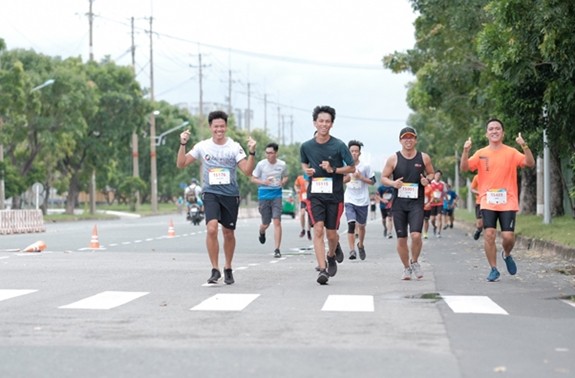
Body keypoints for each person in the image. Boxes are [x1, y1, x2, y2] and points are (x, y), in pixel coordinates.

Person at [177, 110, 257, 285]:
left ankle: (228, 267)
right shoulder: (203, 146)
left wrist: (252, 153)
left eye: (222, 126)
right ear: (210, 127)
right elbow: (181, 164)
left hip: (230, 194)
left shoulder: (234, 147)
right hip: (210, 193)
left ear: (226, 127)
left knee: (228, 233)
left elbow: (247, 171)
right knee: (212, 229)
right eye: (216, 126)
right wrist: (182, 144)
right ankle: (215, 269)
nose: (219, 129)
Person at [460, 118, 534, 281]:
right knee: (489, 234)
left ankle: (506, 254)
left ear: (503, 132)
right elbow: (464, 168)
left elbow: (530, 162)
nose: (494, 131)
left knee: (508, 237)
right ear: (487, 133)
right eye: (491, 129)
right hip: (487, 200)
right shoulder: (480, 153)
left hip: (508, 200)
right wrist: (465, 151)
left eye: (498, 128)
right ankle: (493, 269)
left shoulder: (511, 152)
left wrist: (524, 145)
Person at [300, 105, 355, 285]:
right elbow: (304, 164)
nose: (324, 124)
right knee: (318, 228)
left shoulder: (339, 145)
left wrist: (334, 169)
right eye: (321, 121)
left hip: (335, 196)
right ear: (315, 123)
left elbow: (352, 167)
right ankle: (322, 269)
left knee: (332, 234)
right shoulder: (306, 146)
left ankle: (331, 255)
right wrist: (307, 171)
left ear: (332, 124)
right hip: (315, 195)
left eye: (327, 122)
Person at [381, 126, 435, 280]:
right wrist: (393, 184)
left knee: (416, 235)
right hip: (399, 205)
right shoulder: (393, 158)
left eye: (411, 137)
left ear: (416, 140)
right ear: (400, 141)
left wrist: (427, 180)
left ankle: (415, 261)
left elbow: (431, 173)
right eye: (405, 138)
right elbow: (384, 177)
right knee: (402, 238)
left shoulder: (424, 158)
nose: (408, 140)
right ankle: (406, 267)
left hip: (416, 203)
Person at [251, 142, 288, 258]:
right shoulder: (261, 165)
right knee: (266, 223)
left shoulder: (282, 164)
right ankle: (262, 231)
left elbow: (285, 175)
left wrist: (282, 182)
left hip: (277, 195)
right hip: (264, 195)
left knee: (277, 221)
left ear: (276, 153)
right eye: (267, 153)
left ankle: (277, 249)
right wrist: (264, 182)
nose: (269, 155)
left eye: (271, 153)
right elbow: (253, 179)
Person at [343, 140, 376, 260]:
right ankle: (352, 251)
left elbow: (372, 181)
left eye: (356, 151)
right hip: (349, 198)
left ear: (359, 153)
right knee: (351, 224)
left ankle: (360, 245)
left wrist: (361, 177)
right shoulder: (345, 166)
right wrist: (347, 178)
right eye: (352, 151)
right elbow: (340, 180)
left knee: (361, 226)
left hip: (362, 200)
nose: (354, 153)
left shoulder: (365, 166)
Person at [294, 173, 312, 240]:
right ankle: (303, 229)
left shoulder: (313, 177)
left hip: (311, 199)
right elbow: (296, 185)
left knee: (310, 215)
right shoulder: (300, 178)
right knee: (302, 213)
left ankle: (308, 230)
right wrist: (297, 190)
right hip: (303, 199)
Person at [429, 170, 446, 238]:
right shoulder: (431, 183)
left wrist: (446, 199)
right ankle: (435, 226)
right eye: (436, 175)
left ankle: (439, 232)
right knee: (432, 219)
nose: (438, 176)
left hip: (440, 202)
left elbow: (444, 192)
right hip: (432, 203)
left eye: (439, 175)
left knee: (439, 217)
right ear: (434, 175)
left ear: (440, 176)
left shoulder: (442, 184)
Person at [470, 174, 483, 240]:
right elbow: (472, 189)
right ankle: (479, 230)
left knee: (489, 224)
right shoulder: (476, 177)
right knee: (479, 224)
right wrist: (478, 192)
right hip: (479, 202)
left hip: (490, 203)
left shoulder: (492, 175)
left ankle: (489, 241)